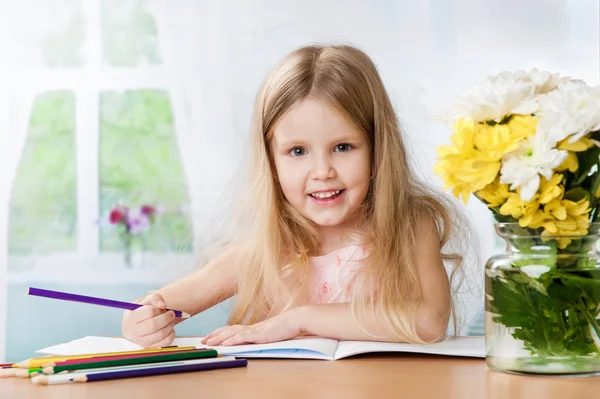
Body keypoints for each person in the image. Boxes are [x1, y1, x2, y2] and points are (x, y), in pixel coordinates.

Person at [121, 44, 473, 348]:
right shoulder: (265, 250)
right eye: (298, 152)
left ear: (378, 148)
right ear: (271, 162)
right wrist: (140, 321)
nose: (322, 171)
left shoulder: (410, 224)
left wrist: (300, 319)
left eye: (342, 147)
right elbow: (155, 306)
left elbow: (429, 321)